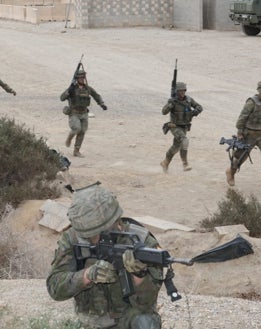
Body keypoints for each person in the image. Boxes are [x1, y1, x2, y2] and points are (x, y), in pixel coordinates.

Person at [46, 184, 163, 329]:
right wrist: (87, 275)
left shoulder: (142, 242)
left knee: (146, 323)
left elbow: (147, 301)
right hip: (91, 322)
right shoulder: (73, 239)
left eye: (96, 234)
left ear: (115, 222)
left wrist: (139, 275)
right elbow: (55, 288)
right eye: (88, 236)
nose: (92, 240)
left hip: (130, 319)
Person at [226, 81, 261, 189]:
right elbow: (242, 118)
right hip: (249, 134)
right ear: (260, 91)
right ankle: (231, 173)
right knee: (240, 157)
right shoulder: (251, 102)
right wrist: (239, 132)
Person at [60, 69, 107, 157]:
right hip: (74, 113)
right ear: (77, 78)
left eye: (83, 77)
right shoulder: (72, 89)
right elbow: (62, 98)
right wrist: (68, 92)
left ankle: (76, 151)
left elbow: (96, 96)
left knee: (82, 131)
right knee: (76, 128)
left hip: (84, 113)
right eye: (80, 78)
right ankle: (69, 138)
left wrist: (102, 104)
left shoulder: (87, 89)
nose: (82, 79)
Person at [160, 82, 203, 172]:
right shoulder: (172, 101)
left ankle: (165, 162)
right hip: (174, 126)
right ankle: (185, 164)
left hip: (184, 127)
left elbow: (199, 106)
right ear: (176, 91)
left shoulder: (189, 100)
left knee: (176, 146)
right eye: (180, 91)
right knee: (184, 140)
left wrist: (196, 111)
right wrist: (170, 105)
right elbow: (163, 112)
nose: (182, 93)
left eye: (183, 90)